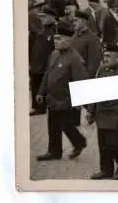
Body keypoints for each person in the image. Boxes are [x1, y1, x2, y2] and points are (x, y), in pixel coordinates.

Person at [35, 21, 88, 161]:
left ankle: (79, 142)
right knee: (53, 125)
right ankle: (54, 151)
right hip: (53, 98)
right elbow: (48, 74)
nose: (55, 41)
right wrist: (41, 92)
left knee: (65, 124)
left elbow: (80, 81)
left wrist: (79, 101)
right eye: (55, 38)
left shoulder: (75, 58)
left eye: (59, 38)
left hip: (66, 99)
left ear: (69, 40)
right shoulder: (54, 54)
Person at [86, 44, 118, 180]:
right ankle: (106, 170)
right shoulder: (102, 69)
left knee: (112, 143)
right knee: (102, 144)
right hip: (102, 113)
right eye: (104, 55)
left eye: (108, 56)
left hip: (117, 114)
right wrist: (91, 110)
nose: (105, 58)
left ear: (117, 57)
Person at [29, 7, 56, 116]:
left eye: (44, 17)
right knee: (36, 83)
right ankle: (38, 107)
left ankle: (41, 107)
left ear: (52, 18)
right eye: (41, 17)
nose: (42, 19)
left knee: (42, 84)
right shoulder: (42, 30)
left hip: (46, 63)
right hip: (37, 63)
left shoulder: (54, 31)